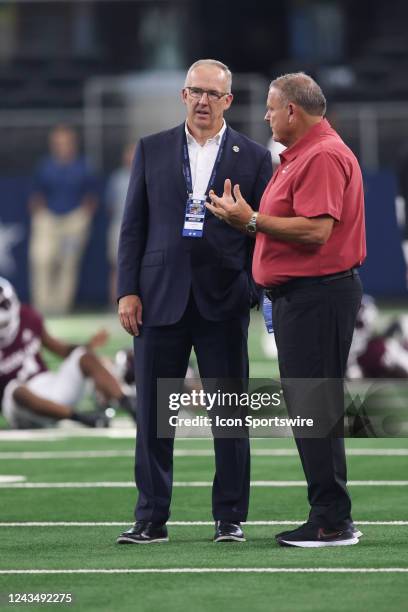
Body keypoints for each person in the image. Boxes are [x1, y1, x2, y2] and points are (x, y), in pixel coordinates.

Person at [116, 59, 272, 544]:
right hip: (159, 298)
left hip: (223, 299)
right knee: (153, 419)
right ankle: (151, 517)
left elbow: (262, 234)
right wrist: (127, 289)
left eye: (212, 93)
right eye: (194, 91)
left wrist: (249, 288)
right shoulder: (152, 148)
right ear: (183, 96)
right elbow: (133, 227)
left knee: (229, 414)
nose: (202, 100)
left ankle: (230, 517)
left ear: (229, 101)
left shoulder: (253, 157)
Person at [207, 72, 366, 548]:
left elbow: (317, 231)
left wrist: (251, 219)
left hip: (317, 296)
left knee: (313, 409)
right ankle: (331, 515)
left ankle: (332, 520)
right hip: (305, 297)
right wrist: (249, 222)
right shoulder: (306, 154)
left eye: (272, 108)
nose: (266, 116)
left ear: (293, 111)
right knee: (310, 408)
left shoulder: (320, 155)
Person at [0, 277, 134, 429]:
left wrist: (88, 346)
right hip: (21, 409)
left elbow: (61, 349)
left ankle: (128, 403)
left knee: (82, 355)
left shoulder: (27, 316)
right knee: (14, 389)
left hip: (50, 386)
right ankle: (79, 417)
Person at [29, 125, 98, 315]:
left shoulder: (84, 166)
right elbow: (36, 193)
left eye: (66, 142)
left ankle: (61, 309)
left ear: (73, 143)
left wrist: (84, 216)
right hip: (49, 220)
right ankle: (42, 309)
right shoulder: (45, 165)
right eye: (58, 142)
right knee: (42, 260)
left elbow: (92, 195)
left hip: (74, 222)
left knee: (68, 264)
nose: (62, 146)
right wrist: (39, 214)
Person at [106, 144, 135, 305]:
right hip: (119, 226)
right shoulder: (117, 178)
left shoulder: (149, 174)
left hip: (141, 227)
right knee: (117, 265)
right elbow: (110, 205)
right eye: (129, 153)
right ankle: (114, 303)